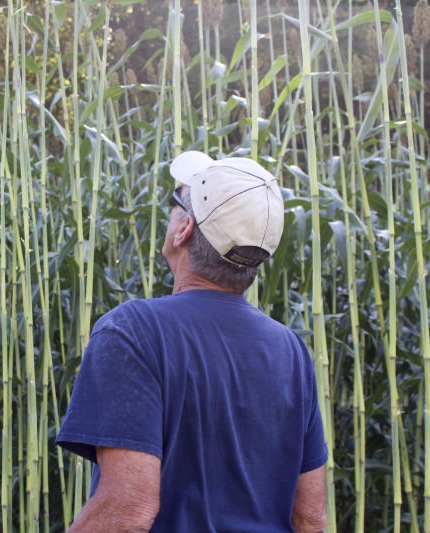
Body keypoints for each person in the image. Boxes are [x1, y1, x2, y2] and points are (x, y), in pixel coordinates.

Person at [56, 152, 328, 532]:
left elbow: (127, 510)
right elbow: (311, 518)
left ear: (184, 228)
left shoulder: (134, 331)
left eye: (175, 203)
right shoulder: (291, 350)